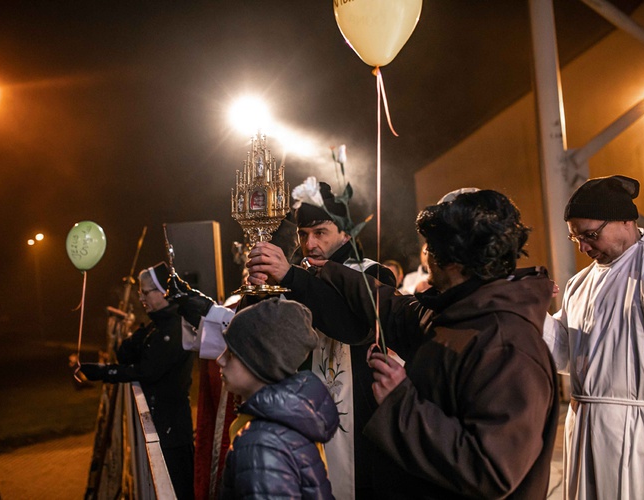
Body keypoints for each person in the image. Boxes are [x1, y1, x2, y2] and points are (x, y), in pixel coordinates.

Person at [252, 189, 560, 498]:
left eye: (431, 246)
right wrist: (320, 271)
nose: (425, 255)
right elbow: (391, 309)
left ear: (453, 256)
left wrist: (399, 400)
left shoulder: (506, 344)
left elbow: (491, 470)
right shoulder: (460, 311)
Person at [245, 179, 396, 499]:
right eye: (302, 234)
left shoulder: (374, 273)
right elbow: (261, 336)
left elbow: (352, 328)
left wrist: (289, 277)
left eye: (320, 233)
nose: (309, 244)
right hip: (302, 416)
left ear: (345, 233)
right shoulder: (296, 274)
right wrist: (256, 292)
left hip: (360, 426)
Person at [543, 174, 644, 499]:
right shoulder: (580, 283)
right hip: (584, 423)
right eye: (575, 238)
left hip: (636, 429)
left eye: (590, 235)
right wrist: (530, 311)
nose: (584, 247)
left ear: (624, 219)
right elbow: (565, 353)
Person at [80, 262, 195, 500]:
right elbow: (125, 354)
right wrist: (138, 333)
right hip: (163, 424)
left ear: (164, 292)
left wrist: (105, 372)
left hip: (172, 429)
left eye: (145, 291)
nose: (140, 296)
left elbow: (147, 371)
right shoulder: (158, 324)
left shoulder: (174, 326)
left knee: (176, 489)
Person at [216, 297, 339, 499]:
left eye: (231, 353)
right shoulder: (286, 420)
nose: (219, 359)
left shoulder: (262, 444)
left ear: (261, 360)